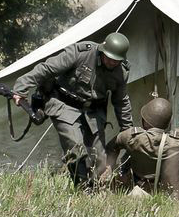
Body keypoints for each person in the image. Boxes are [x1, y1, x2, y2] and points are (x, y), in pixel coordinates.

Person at [12, 32, 133, 187]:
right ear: (103, 50)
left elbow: (121, 101)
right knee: (75, 147)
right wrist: (21, 87)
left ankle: (94, 189)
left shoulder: (121, 72)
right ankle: (82, 188)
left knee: (100, 159)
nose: (111, 62)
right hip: (64, 105)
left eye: (116, 60)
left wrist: (127, 130)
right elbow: (46, 69)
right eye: (109, 57)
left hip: (93, 112)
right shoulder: (81, 52)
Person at [104, 97, 179, 199]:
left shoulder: (131, 137)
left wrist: (108, 171)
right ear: (168, 123)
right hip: (171, 192)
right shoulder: (177, 140)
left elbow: (111, 147)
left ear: (145, 122)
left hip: (140, 189)